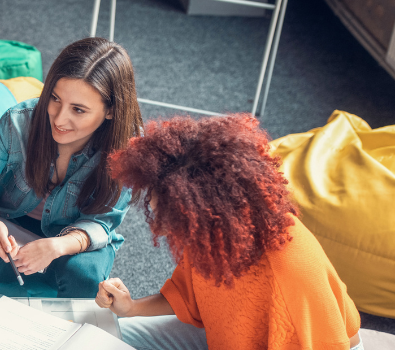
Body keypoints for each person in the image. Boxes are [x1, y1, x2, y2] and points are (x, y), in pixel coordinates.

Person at [97, 114, 362, 349]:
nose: (162, 230)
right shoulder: (216, 232)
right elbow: (191, 298)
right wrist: (131, 308)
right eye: (156, 211)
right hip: (229, 336)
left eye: (171, 220)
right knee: (102, 335)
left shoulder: (286, 275)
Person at [0, 37, 142, 297]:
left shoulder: (129, 150)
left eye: (79, 110)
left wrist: (58, 246)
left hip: (75, 235)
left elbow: (102, 224)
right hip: (11, 222)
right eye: (55, 99)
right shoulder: (19, 122)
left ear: (111, 111)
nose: (60, 119)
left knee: (83, 275)